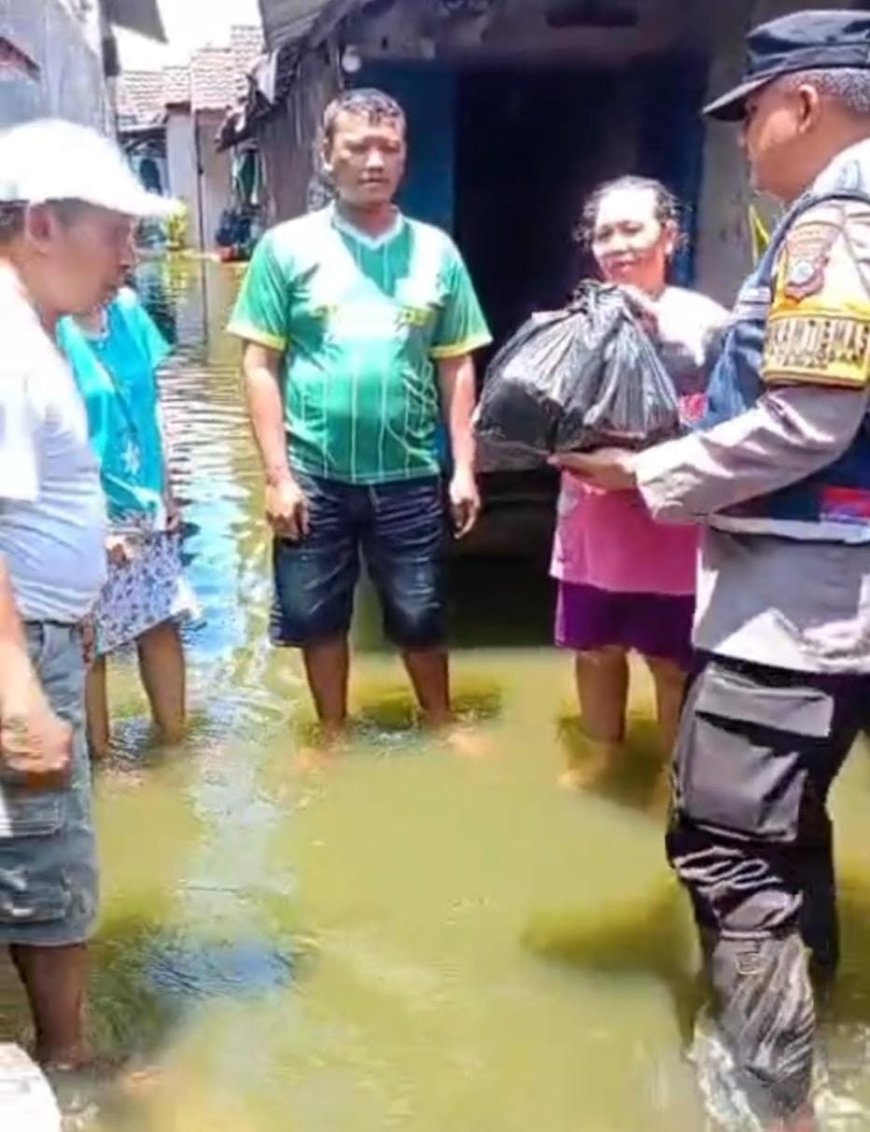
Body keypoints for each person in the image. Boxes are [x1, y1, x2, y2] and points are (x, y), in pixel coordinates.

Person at [554, 11, 870, 1129]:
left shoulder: (837, 216)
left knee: (730, 841)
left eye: (750, 117)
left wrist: (651, 477)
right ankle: (818, 1019)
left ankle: (769, 1094)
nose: (745, 142)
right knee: (796, 820)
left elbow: (811, 417)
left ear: (802, 104)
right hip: (835, 587)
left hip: (807, 595)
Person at [228, 89, 491, 751]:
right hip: (314, 471)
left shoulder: (436, 253)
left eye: (389, 148)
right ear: (327, 155)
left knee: (421, 610)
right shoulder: (285, 249)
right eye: (358, 147)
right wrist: (275, 476)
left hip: (408, 468)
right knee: (318, 615)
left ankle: (440, 720)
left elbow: (456, 364)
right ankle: (333, 732)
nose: (374, 161)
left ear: (404, 158)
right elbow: (260, 365)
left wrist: (463, 467)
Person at [0, 118, 175, 1070]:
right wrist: (19, 686)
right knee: (45, 853)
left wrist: (83, 537)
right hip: (22, 647)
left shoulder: (36, 331)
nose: (128, 257)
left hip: (40, 630)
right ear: (39, 225)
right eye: (114, 233)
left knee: (33, 844)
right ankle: (66, 1060)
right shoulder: (7, 344)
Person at [553, 176, 727, 796]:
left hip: (672, 525)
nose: (618, 245)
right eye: (605, 233)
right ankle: (605, 758)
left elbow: (724, 428)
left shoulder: (707, 325)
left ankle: (673, 774)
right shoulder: (573, 323)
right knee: (595, 648)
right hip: (591, 520)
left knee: (671, 660)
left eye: (634, 229)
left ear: (669, 236)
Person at [57, 286, 197, 759]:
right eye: (115, 239)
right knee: (88, 638)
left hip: (145, 498)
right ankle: (103, 757)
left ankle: (175, 740)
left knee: (160, 618)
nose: (127, 256)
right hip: (82, 507)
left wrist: (168, 485)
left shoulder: (129, 310)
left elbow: (153, 401)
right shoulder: (47, 325)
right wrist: (95, 520)